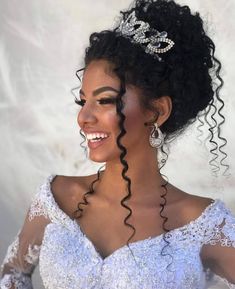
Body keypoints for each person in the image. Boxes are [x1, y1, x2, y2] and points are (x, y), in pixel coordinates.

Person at [1, 0, 235, 288]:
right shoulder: (56, 199)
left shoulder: (203, 224)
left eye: (104, 101)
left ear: (157, 111)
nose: (83, 117)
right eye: (82, 101)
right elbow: (13, 273)